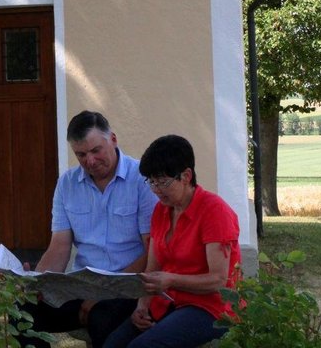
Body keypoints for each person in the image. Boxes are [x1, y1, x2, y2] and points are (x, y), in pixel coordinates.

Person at [18, 110, 158, 347]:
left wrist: (103, 292)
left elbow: (152, 250)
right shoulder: (67, 183)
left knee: (102, 319)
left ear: (112, 139)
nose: (90, 161)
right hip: (81, 286)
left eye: (96, 151)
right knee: (23, 311)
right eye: (81, 155)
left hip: (128, 287)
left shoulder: (142, 179)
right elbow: (59, 247)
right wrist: (38, 281)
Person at [104, 134, 241, 348]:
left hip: (210, 308)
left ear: (186, 176)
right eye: (152, 182)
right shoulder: (161, 210)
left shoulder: (214, 211)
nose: (156, 190)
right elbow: (152, 268)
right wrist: (142, 306)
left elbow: (219, 280)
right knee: (113, 344)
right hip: (170, 301)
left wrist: (171, 280)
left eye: (163, 182)